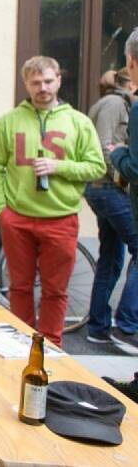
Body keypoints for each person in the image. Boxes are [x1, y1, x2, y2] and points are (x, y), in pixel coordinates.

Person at [0, 55, 105, 347]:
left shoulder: (78, 122)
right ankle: (21, 346)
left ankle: (50, 348)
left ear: (59, 80)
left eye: (48, 81)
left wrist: (59, 167)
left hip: (61, 218)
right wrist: (3, 211)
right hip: (18, 219)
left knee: (55, 291)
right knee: (20, 288)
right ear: (26, 83)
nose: (43, 88)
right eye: (36, 82)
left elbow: (97, 167)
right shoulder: (8, 122)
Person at [83, 66, 138, 345]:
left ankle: (99, 328)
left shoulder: (117, 103)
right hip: (108, 188)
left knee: (111, 258)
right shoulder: (114, 104)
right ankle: (127, 327)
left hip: (105, 189)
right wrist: (122, 174)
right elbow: (104, 146)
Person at [107, 29, 138, 350]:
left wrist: (119, 153)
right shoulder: (116, 106)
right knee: (111, 259)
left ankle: (125, 325)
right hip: (109, 192)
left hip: (112, 190)